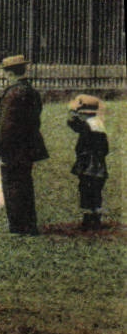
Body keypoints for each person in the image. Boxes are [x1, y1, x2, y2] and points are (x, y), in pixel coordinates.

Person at [0, 53, 47, 235]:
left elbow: (7, 127)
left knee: (13, 187)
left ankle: (19, 226)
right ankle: (28, 224)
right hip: (27, 147)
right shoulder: (30, 91)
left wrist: (2, 150)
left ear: (9, 72)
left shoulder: (13, 93)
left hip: (14, 149)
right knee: (24, 185)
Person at [67, 95, 110, 232]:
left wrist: (72, 116)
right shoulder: (96, 123)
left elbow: (78, 127)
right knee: (94, 190)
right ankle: (94, 215)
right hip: (96, 164)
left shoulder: (90, 125)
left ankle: (90, 217)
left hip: (89, 163)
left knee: (87, 189)